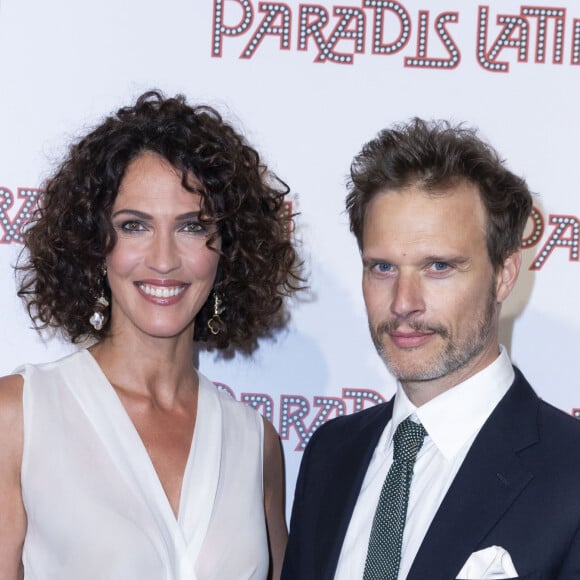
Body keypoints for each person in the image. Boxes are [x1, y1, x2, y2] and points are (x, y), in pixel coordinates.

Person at [0, 90, 302, 580]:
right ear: (95, 243)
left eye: (191, 227)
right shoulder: (19, 418)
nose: (163, 260)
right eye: (134, 225)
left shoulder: (255, 444)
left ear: (228, 248)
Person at [282, 119, 580, 579]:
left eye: (438, 266)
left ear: (504, 274)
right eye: (382, 267)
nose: (403, 303)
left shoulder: (570, 473)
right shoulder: (330, 455)